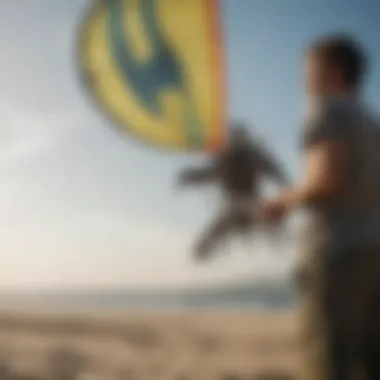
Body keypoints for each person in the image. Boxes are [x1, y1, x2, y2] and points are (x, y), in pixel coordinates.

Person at [259, 34, 380, 380]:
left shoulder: (325, 107)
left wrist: (282, 201)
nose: (304, 80)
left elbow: (327, 180)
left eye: (309, 70)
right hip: (375, 254)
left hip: (338, 255)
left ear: (333, 72)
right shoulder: (373, 123)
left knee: (329, 365)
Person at [178, 123, 288, 260]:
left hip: (250, 204)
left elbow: (274, 169)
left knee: (273, 224)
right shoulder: (227, 159)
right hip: (236, 207)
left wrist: (286, 187)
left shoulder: (253, 156)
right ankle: (201, 250)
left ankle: (287, 242)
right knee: (219, 229)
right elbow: (209, 173)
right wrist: (190, 177)